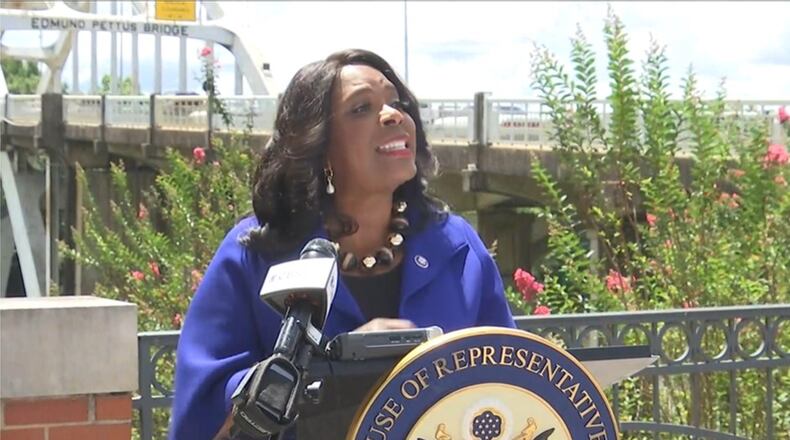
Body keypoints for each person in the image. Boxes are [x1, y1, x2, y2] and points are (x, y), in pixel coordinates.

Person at [169, 48, 515, 440]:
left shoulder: (457, 247)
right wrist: (336, 373)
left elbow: (512, 384)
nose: (392, 115)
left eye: (396, 103)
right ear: (320, 147)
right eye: (361, 109)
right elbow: (203, 415)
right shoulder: (252, 255)